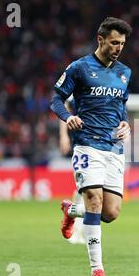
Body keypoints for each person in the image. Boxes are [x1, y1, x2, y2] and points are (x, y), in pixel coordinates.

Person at [50, 17, 132, 276]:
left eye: (122, 43)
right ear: (100, 39)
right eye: (114, 42)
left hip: (114, 148)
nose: (118, 48)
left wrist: (125, 124)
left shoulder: (124, 73)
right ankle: (97, 269)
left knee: (110, 213)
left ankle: (72, 210)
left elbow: (122, 107)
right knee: (94, 200)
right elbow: (56, 99)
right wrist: (67, 117)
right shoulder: (79, 68)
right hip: (87, 144)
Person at [58, 96, 85, 244]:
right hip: (83, 144)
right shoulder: (80, 78)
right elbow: (65, 106)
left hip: (104, 145)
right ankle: (78, 232)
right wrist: (63, 135)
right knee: (85, 190)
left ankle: (72, 213)